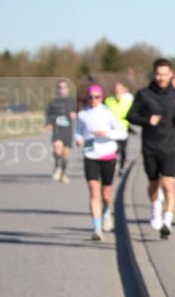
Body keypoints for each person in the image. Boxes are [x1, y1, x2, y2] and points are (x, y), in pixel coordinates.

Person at [127, 59, 175, 240]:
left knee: (169, 184)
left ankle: (167, 222)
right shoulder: (144, 94)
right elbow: (130, 116)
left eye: (165, 74)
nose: (161, 78)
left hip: (169, 145)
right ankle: (155, 209)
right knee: (154, 184)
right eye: (158, 74)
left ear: (171, 74)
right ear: (154, 74)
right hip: (150, 146)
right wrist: (147, 121)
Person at [73, 85, 125, 241]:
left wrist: (107, 133)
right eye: (90, 97)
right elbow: (77, 131)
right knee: (93, 191)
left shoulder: (107, 113)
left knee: (106, 193)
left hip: (108, 155)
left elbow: (122, 132)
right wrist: (79, 139)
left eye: (96, 97)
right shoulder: (82, 115)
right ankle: (97, 229)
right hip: (90, 155)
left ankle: (106, 212)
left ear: (101, 98)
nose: (93, 100)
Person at [44, 79, 77, 183]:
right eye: (60, 87)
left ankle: (63, 173)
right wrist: (48, 124)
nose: (62, 89)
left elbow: (77, 113)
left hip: (67, 130)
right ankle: (57, 168)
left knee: (66, 154)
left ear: (67, 89)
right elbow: (48, 115)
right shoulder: (53, 102)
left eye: (64, 87)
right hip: (57, 129)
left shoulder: (72, 101)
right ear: (57, 89)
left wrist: (74, 115)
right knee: (57, 149)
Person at [104, 82, 134, 171]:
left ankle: (122, 167)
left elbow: (132, 114)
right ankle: (113, 164)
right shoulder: (108, 100)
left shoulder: (128, 101)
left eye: (119, 89)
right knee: (113, 148)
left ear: (123, 90)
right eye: (116, 89)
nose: (117, 91)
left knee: (123, 149)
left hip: (123, 128)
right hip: (112, 129)